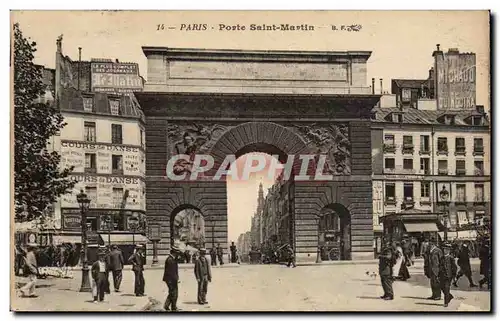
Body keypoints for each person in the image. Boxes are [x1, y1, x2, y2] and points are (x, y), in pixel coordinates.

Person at [163, 245, 181, 312]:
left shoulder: (172, 259)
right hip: (170, 279)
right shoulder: (170, 260)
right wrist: (176, 279)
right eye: (177, 253)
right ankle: (173, 307)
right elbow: (171, 272)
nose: (178, 254)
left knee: (172, 293)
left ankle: (168, 306)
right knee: (174, 293)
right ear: (174, 252)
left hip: (172, 279)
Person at [439, 242, 457, 307]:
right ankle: (450, 296)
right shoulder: (441, 258)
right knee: (442, 287)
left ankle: (446, 302)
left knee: (446, 288)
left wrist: (454, 276)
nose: (445, 251)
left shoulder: (451, 258)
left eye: (446, 249)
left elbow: (454, 267)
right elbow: (439, 267)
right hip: (442, 276)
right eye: (444, 249)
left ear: (449, 250)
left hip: (448, 276)